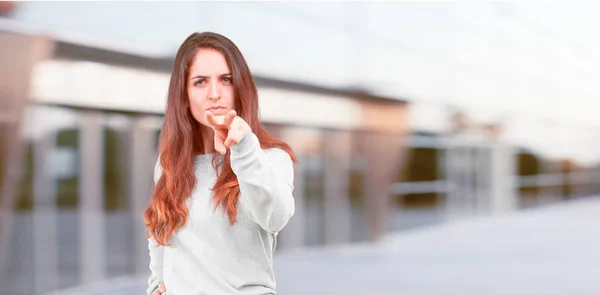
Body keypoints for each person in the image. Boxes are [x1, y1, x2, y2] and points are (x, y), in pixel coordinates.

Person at [143, 31, 297, 295]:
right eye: (200, 82)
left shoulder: (270, 158)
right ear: (184, 93)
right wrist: (156, 285)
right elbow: (160, 238)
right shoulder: (170, 164)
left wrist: (244, 148)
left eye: (226, 80)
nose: (215, 93)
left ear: (240, 87)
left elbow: (276, 217)